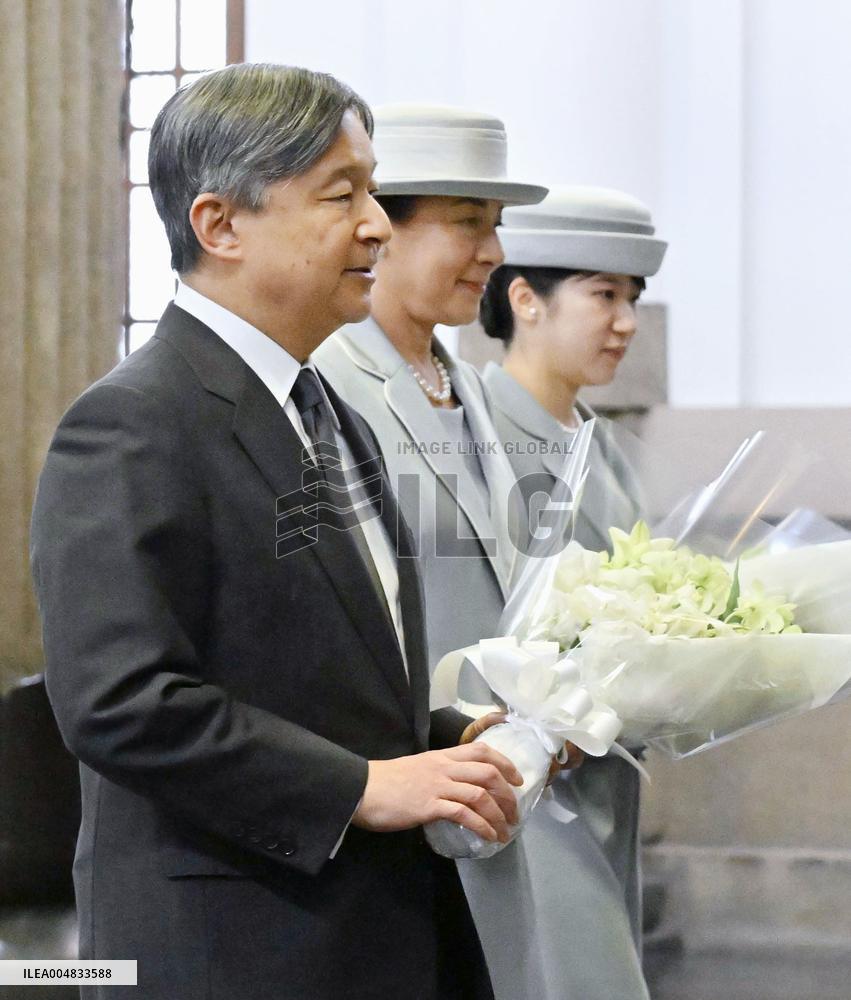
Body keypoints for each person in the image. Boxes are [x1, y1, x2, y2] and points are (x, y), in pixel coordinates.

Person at [29, 65, 525, 1000]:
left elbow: (308, 666)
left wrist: (445, 740)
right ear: (219, 226)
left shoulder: (327, 408)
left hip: (362, 932)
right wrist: (360, 789)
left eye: (372, 189)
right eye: (343, 194)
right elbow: (119, 699)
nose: (377, 222)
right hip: (231, 945)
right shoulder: (135, 422)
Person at [316, 104, 574, 998]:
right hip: (397, 783)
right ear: (383, 227)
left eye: (496, 226)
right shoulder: (329, 381)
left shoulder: (466, 383)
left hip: (492, 778)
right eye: (468, 223)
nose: (495, 252)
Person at [480, 184, 668, 999]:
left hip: (600, 782)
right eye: (602, 295)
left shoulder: (608, 451)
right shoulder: (469, 437)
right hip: (515, 787)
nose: (624, 320)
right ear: (525, 298)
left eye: (630, 298)